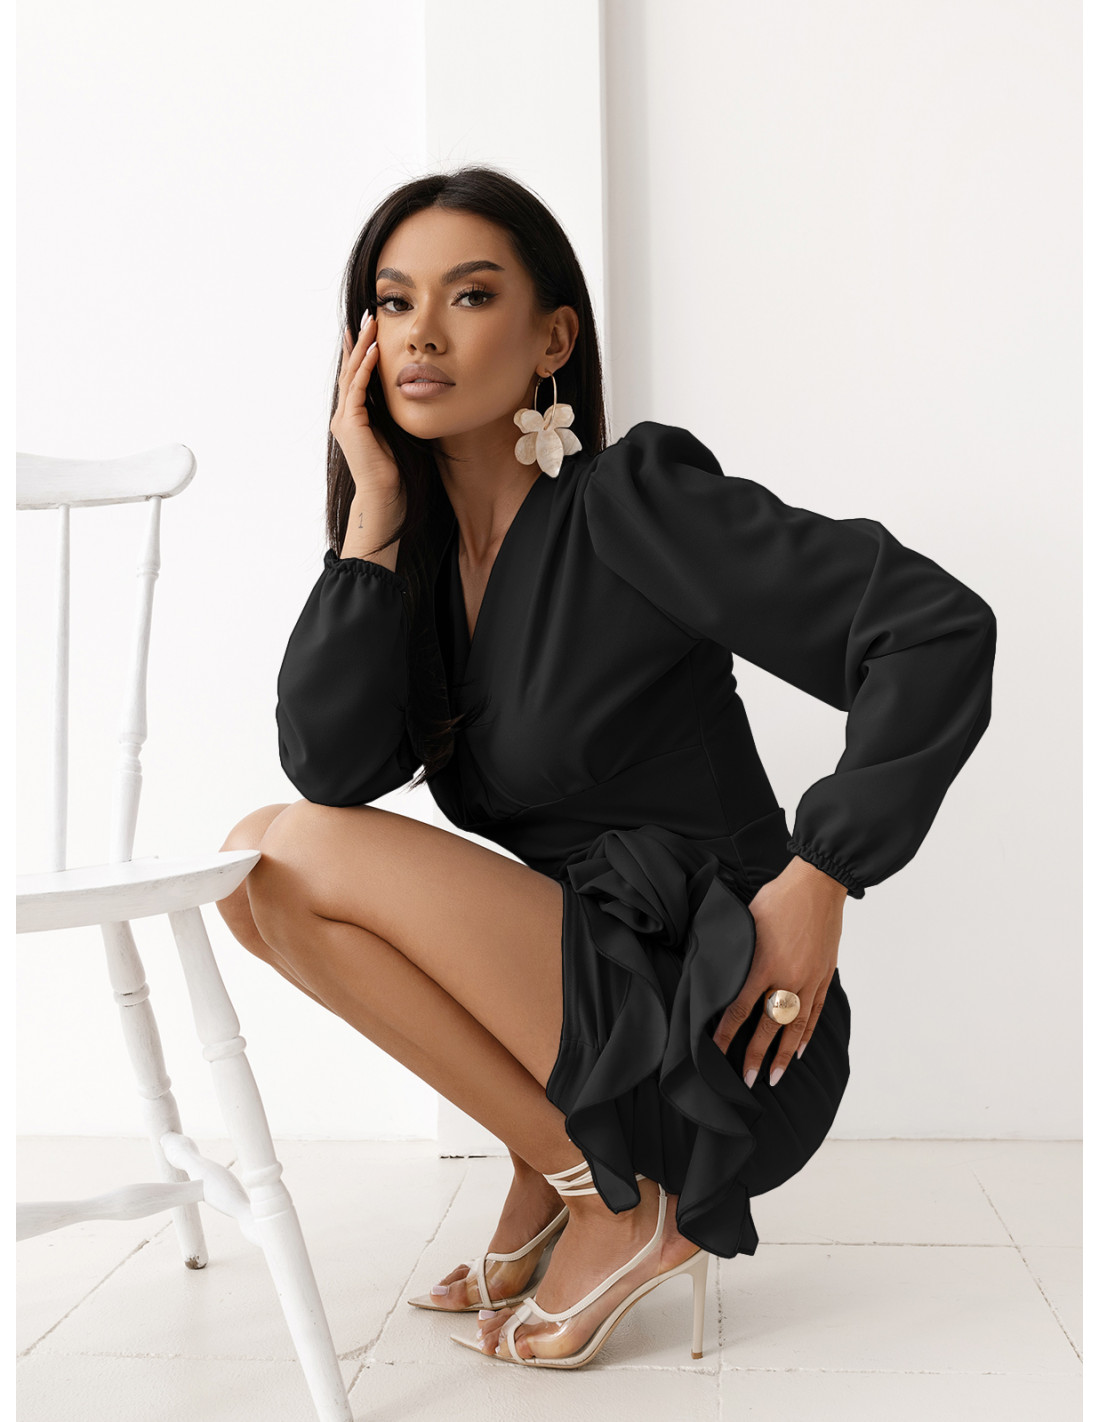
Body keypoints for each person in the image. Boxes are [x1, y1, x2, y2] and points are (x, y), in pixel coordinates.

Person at [216, 165, 997, 1369]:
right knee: (255, 874)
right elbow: (329, 764)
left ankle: (619, 1204)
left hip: (725, 1022)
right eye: (394, 300)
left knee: (284, 849)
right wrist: (371, 513)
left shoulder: (630, 504)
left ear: (551, 341)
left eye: (470, 296)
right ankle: (566, 1167)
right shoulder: (422, 566)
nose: (421, 333)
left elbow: (931, 628)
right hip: (586, 993)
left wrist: (822, 876)